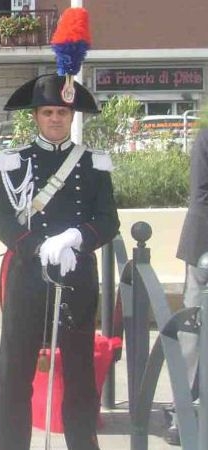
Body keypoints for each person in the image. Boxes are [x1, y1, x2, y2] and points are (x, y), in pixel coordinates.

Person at [0, 74, 120, 450]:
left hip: (76, 278)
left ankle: (82, 443)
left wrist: (76, 238)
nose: (55, 119)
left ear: (71, 114)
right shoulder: (13, 162)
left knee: (79, 374)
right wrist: (37, 245)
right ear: (36, 116)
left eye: (62, 112)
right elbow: (0, 220)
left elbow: (109, 220)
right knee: (15, 372)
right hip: (29, 277)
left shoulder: (93, 164)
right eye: (48, 112)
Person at [172, 126, 208, 445]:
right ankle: (181, 411)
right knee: (192, 333)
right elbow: (201, 194)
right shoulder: (206, 137)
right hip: (204, 247)